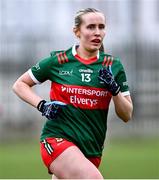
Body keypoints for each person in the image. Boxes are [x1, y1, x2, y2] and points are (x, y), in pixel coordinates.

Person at [12, 8, 133, 179]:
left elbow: (127, 114)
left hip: (91, 148)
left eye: (101, 27)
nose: (97, 32)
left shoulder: (113, 65)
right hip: (56, 140)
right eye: (90, 27)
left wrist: (115, 90)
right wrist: (42, 105)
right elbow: (20, 84)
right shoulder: (59, 61)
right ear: (76, 31)